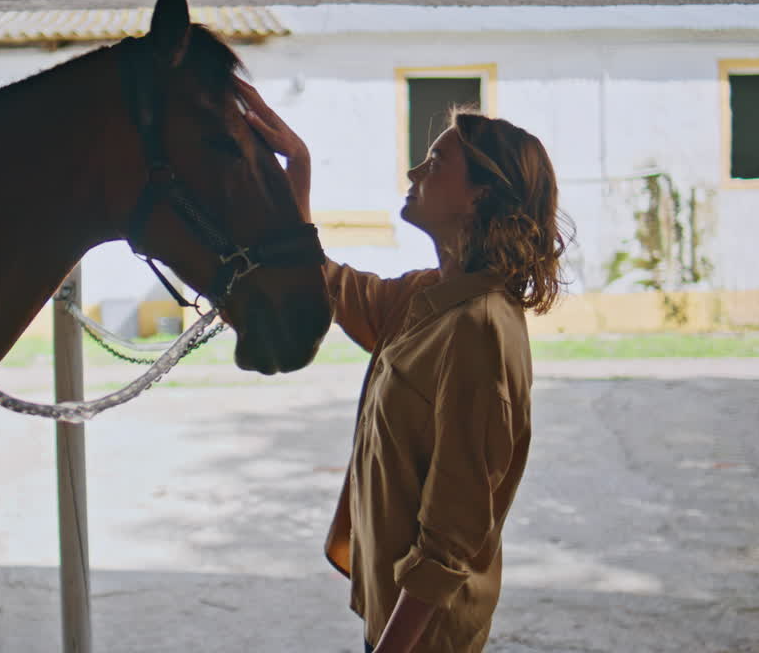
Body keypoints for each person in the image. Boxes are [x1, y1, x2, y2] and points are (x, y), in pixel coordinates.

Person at [237, 78, 572, 653]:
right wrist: (298, 171)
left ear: (478, 196)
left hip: (424, 637)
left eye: (436, 162)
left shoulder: (479, 329)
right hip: (396, 619)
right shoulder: (427, 296)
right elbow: (328, 282)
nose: (415, 172)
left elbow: (451, 536)